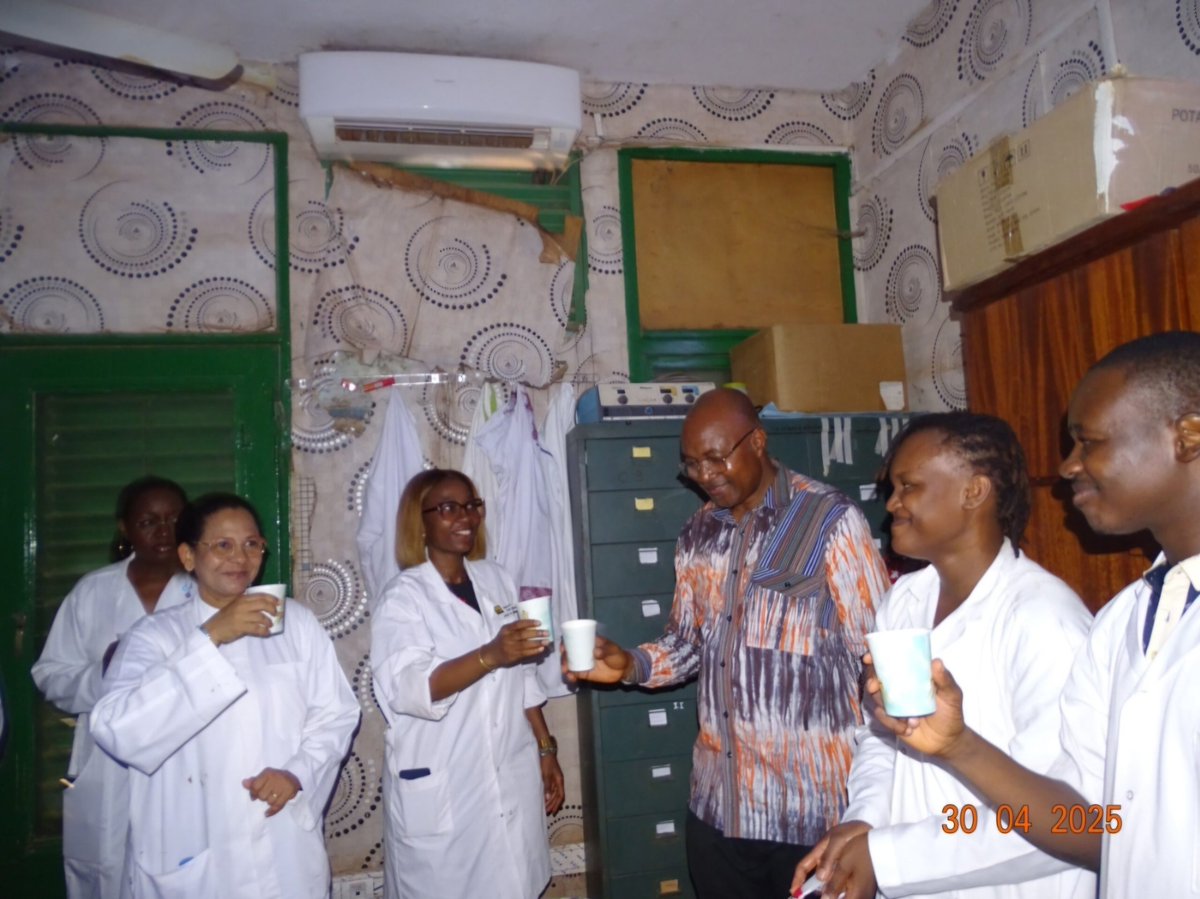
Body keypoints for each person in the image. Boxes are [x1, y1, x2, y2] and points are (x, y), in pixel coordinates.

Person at [866, 331, 1200, 899]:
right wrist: (957, 745)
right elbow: (1096, 826)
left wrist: (890, 858)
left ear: (1187, 436)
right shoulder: (1124, 622)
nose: (1068, 466)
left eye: (1087, 441)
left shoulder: (1046, 616)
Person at [567, 387, 889, 899]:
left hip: (810, 814)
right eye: (692, 464)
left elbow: (879, 653)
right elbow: (687, 643)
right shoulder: (697, 533)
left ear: (757, 441)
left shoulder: (829, 519)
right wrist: (629, 664)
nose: (704, 475)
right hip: (719, 810)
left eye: (716, 458)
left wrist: (881, 803)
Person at [790, 412, 1096, 899]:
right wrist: (864, 822)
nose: (891, 504)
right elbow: (883, 738)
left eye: (908, 486)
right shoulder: (906, 600)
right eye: (893, 487)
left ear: (974, 491)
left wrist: (887, 858)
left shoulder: (1043, 620)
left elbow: (1066, 819)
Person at [89, 493, 359, 899]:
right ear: (187, 556)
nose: (240, 557)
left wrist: (297, 773)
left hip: (281, 847)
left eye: (252, 544)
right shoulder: (155, 636)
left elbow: (335, 714)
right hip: (195, 850)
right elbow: (117, 730)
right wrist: (212, 636)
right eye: (222, 545)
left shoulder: (296, 623)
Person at [371, 469, 564, 899]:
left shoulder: (496, 579)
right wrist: (489, 655)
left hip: (509, 767)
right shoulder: (402, 598)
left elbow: (522, 677)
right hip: (445, 780)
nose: (466, 517)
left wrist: (546, 748)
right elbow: (409, 688)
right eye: (447, 507)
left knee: (514, 883)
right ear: (418, 521)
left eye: (472, 505)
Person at [32, 475, 191, 899]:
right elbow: (49, 675)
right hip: (106, 762)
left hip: (186, 759)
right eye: (149, 521)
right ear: (125, 528)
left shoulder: (206, 591)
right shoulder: (93, 591)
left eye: (175, 518)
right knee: (106, 875)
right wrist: (102, 671)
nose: (164, 531)